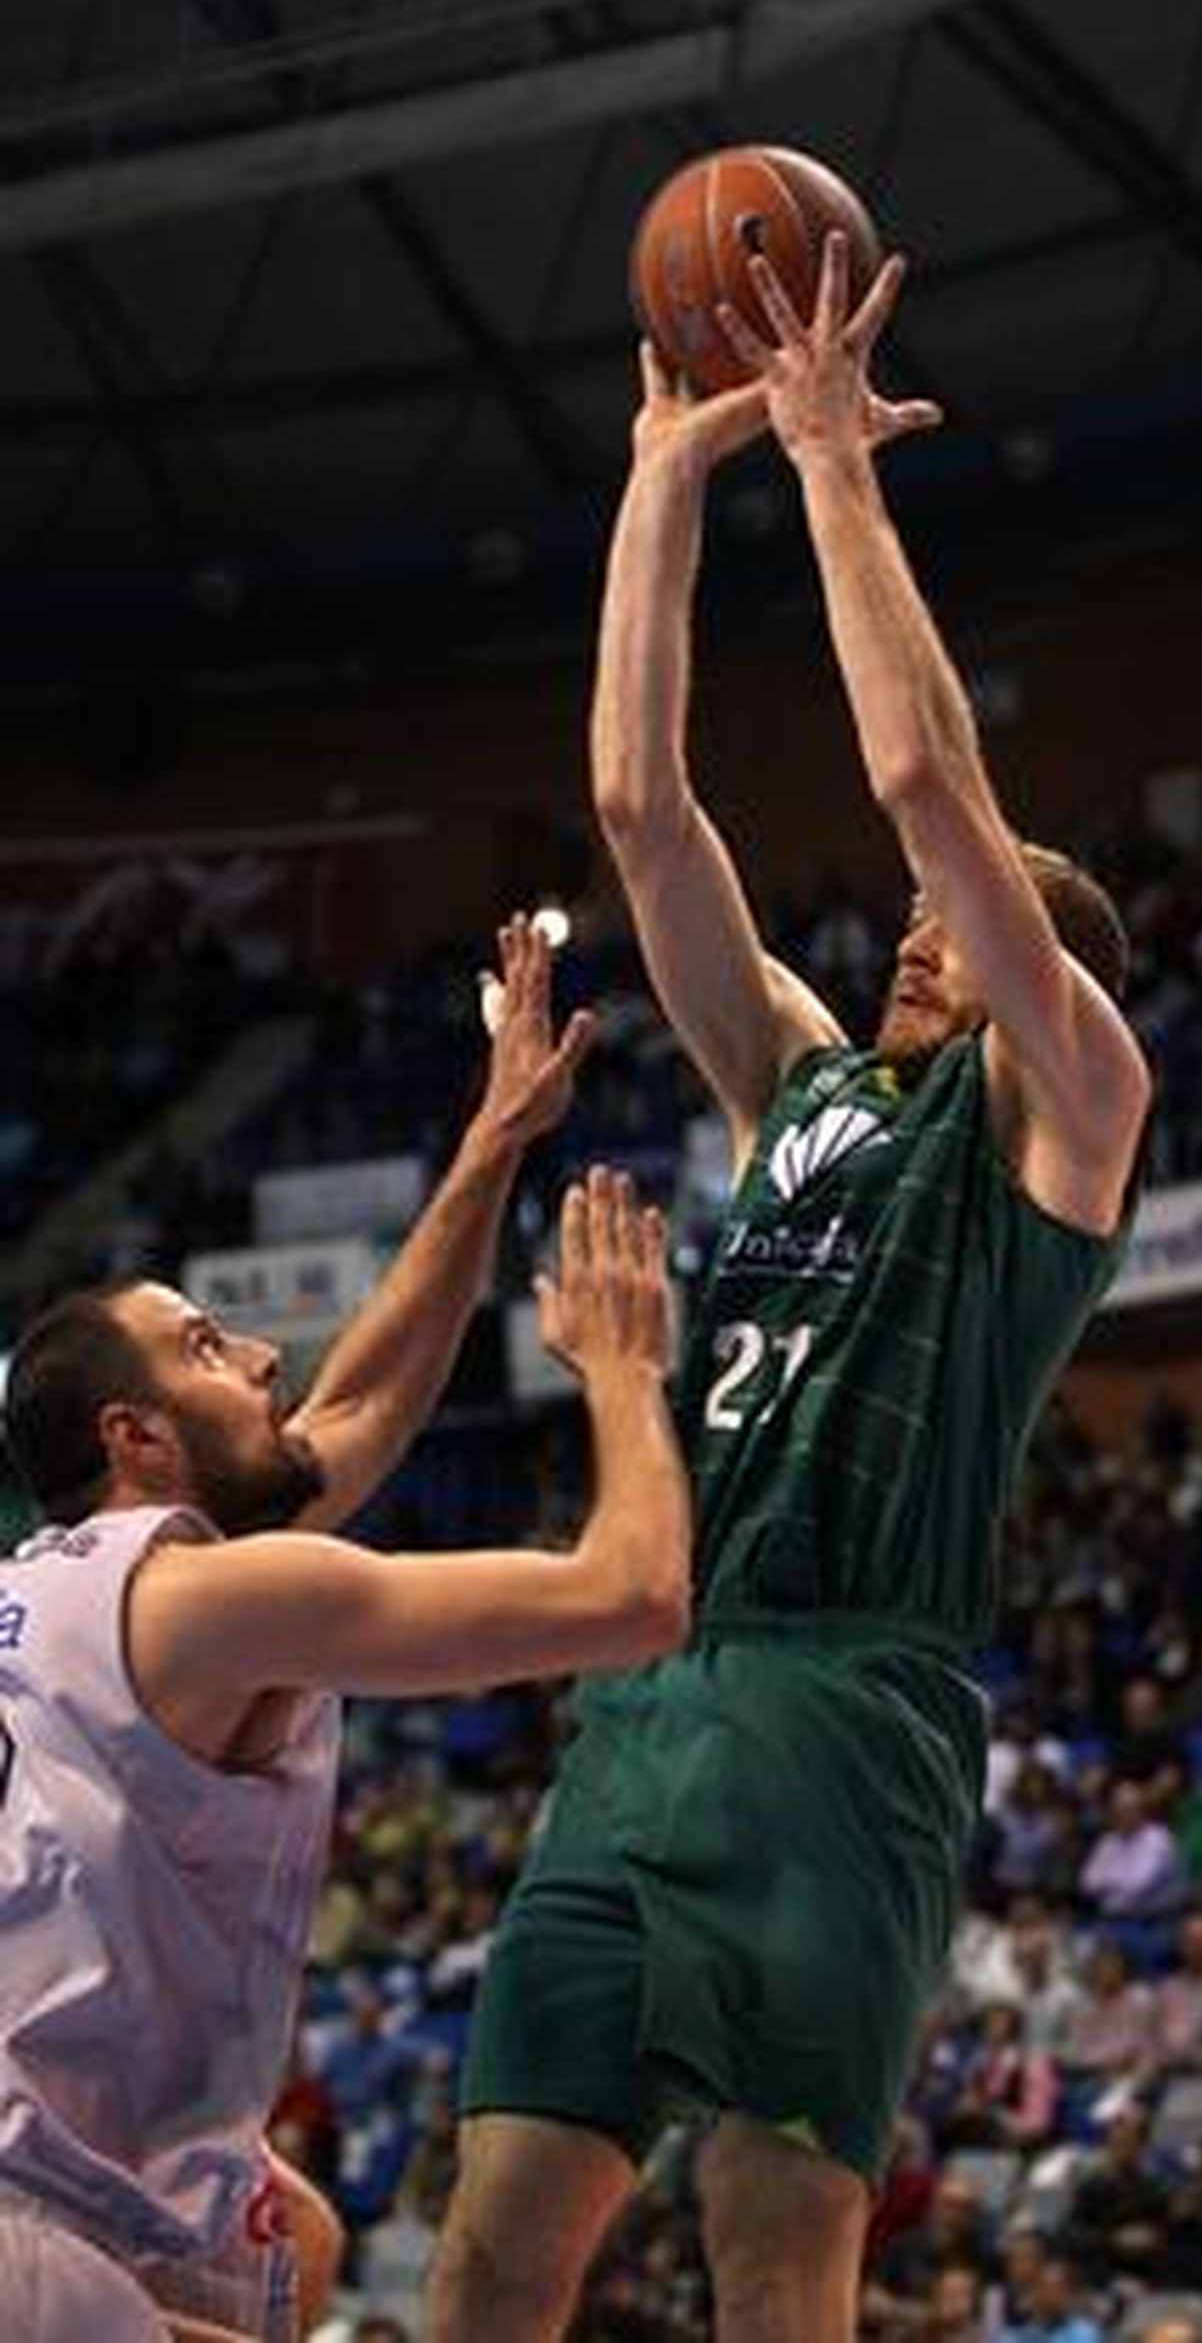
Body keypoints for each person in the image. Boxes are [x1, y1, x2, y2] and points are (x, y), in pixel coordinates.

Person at [431, 236, 1151, 2343]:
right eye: (936, 917)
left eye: (978, 919)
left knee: (776, 2255)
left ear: (1049, 970)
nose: (928, 925)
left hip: (853, 1700)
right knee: (489, 2253)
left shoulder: (1067, 1113)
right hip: (655, 1678)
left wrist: (836, 461)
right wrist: (665, 477)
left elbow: (931, 791)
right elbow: (640, 816)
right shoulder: (806, 1084)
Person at [0, 915, 691, 2343]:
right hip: (29, 2233)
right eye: (205, 1346)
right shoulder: (207, 1597)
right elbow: (633, 1598)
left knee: (290, 2238)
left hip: (61, 2190)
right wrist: (624, 1372)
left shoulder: (68, 1588)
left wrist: (495, 1139)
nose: (259, 1353)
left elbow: (360, 1412)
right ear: (135, 1436)